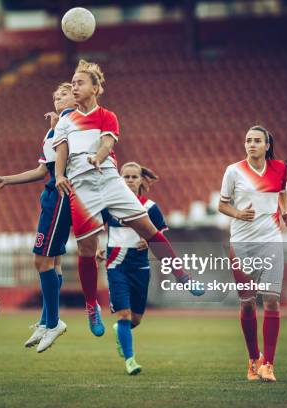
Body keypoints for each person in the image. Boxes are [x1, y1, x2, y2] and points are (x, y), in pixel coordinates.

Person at [53, 59, 202, 336]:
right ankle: (91, 307)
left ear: (95, 88)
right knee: (86, 250)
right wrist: (60, 175)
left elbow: (107, 144)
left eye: (80, 82)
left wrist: (97, 158)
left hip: (109, 179)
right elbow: (61, 151)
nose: (74, 86)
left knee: (148, 228)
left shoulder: (107, 116)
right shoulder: (65, 120)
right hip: (81, 186)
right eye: (72, 83)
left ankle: (181, 275)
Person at [0, 83, 76, 352]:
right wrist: (6, 180)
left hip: (60, 194)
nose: (58, 98)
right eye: (55, 95)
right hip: (50, 194)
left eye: (65, 94)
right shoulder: (55, 128)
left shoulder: (73, 123)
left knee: (41, 260)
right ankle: (47, 321)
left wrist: (61, 124)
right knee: (53, 262)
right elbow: (42, 170)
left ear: (76, 98)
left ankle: (54, 322)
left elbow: (64, 162)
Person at [218, 126, 287, 382]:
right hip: (242, 244)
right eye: (248, 140)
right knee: (248, 302)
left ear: (267, 145)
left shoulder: (280, 168)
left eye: (257, 140)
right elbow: (222, 204)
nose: (251, 144)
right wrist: (238, 214)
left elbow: (282, 192)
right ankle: (253, 359)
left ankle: (269, 365)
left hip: (271, 241)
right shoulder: (233, 170)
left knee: (272, 300)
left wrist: (284, 212)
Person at [97, 162, 167, 375]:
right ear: (119, 179)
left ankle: (121, 332)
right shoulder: (109, 205)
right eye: (125, 176)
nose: (129, 180)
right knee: (124, 315)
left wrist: (150, 241)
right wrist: (99, 246)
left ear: (141, 180)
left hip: (140, 267)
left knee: (135, 319)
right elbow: (94, 227)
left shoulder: (150, 208)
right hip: (116, 266)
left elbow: (161, 236)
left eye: (133, 177)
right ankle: (130, 361)